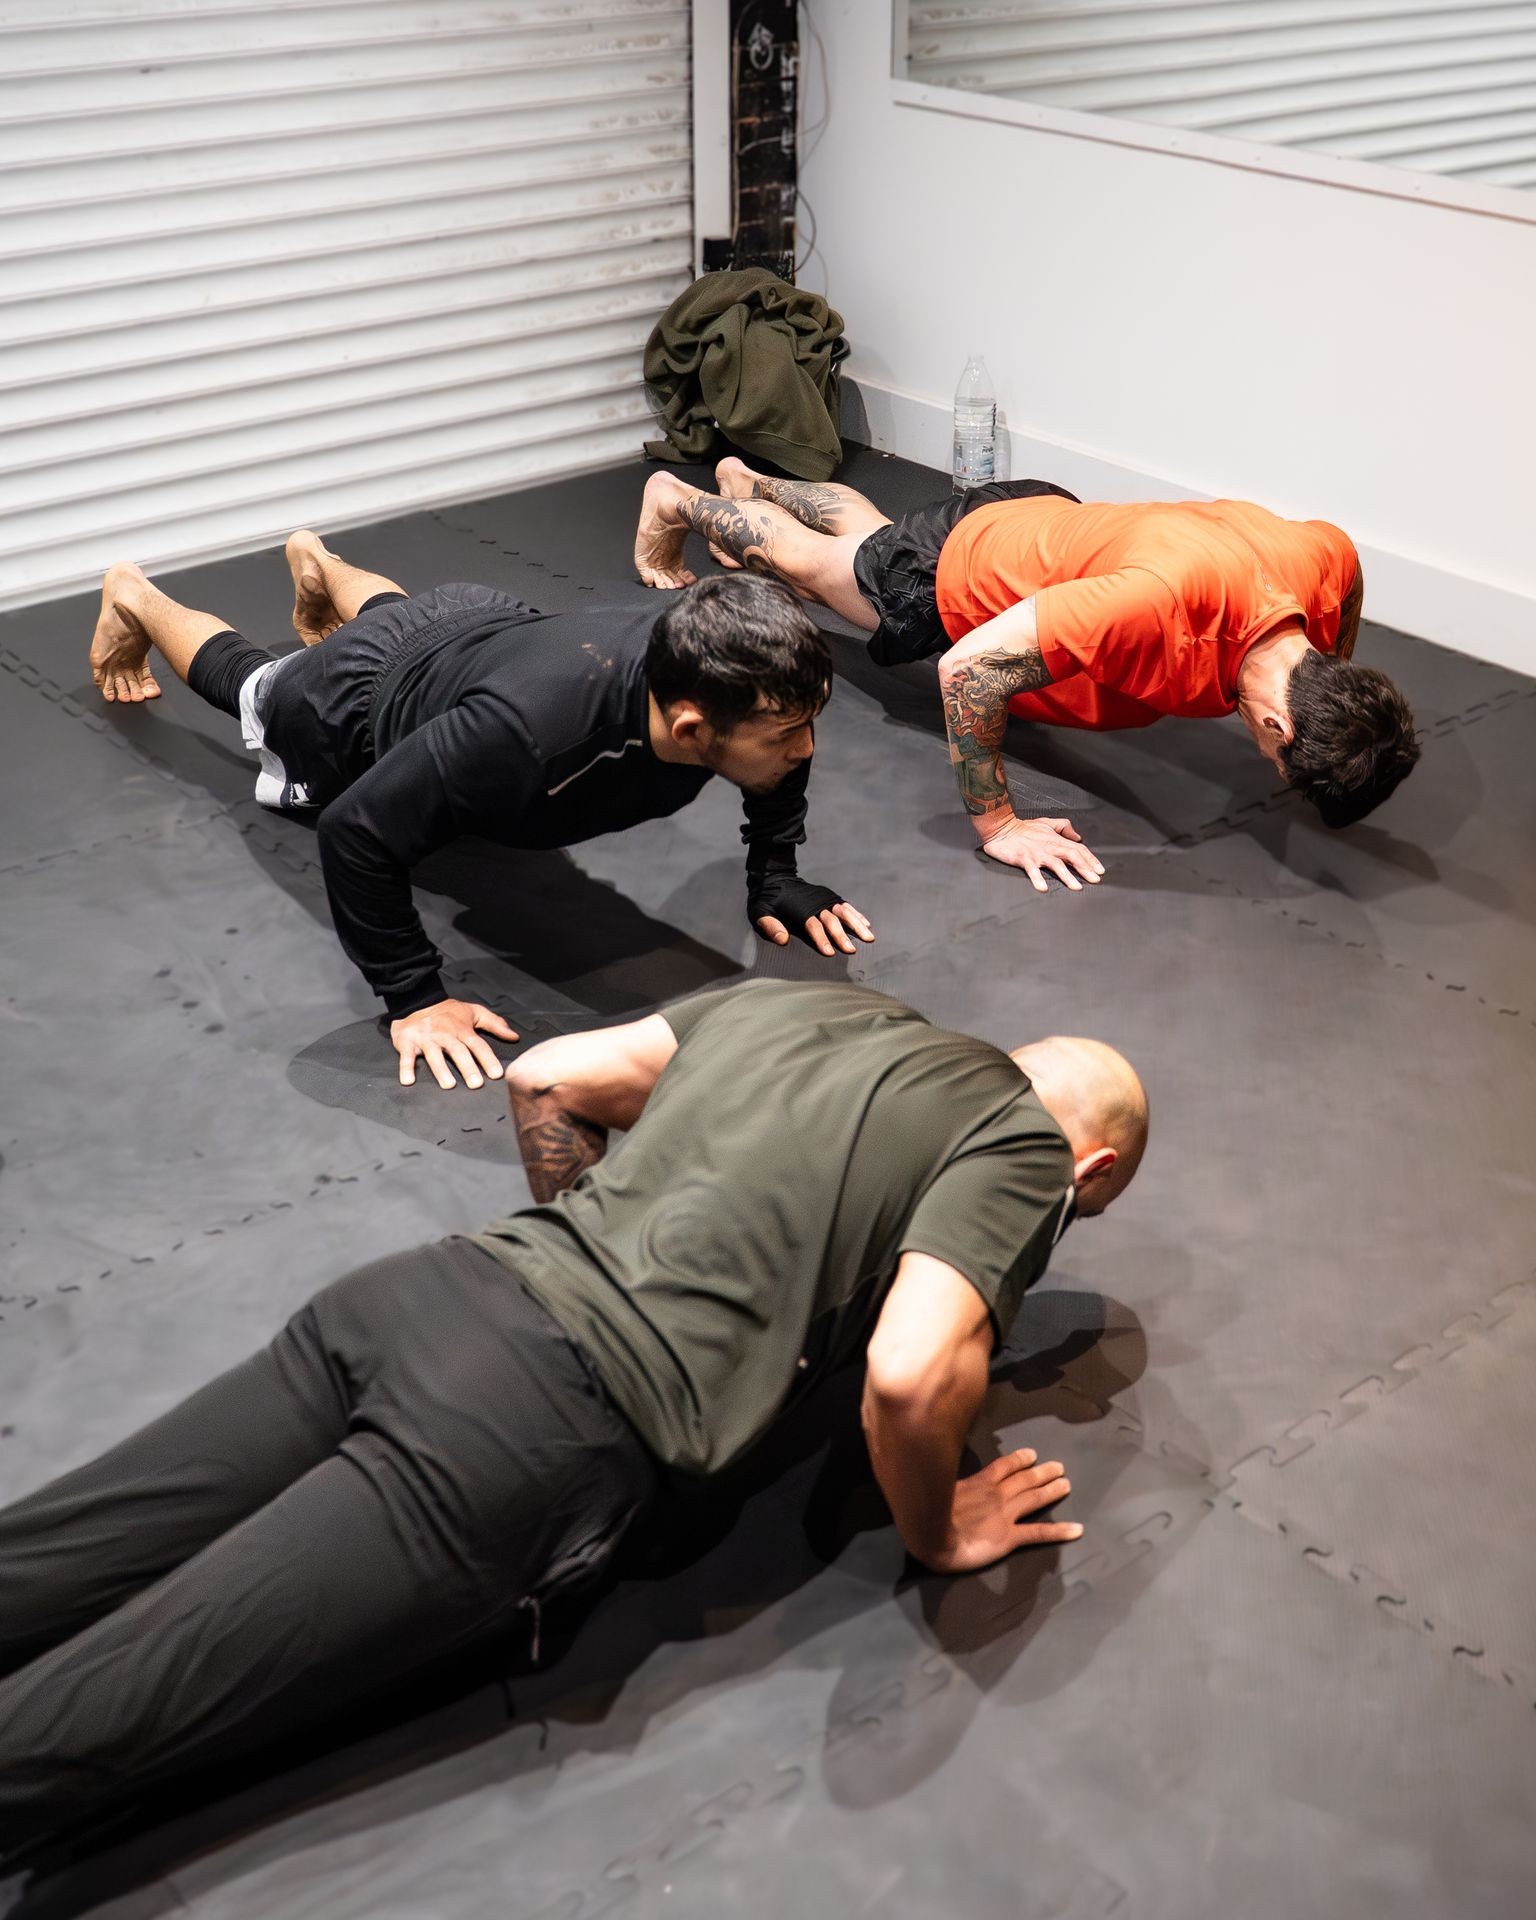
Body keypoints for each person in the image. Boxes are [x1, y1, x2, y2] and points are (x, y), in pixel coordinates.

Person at [0, 978, 1146, 1853]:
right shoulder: (1025, 1150)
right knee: (87, 1723)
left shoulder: (815, 1004)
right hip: (521, 1441)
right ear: (1087, 1170)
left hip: (418, 1299)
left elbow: (546, 1075)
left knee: (49, 1553)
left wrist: (599, 1252)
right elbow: (907, 1371)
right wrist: (940, 1528)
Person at [86, 537, 873, 1090]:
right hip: (359, 698)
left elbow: (778, 757)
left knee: (404, 621)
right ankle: (138, 596)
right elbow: (355, 832)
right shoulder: (527, 738)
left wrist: (776, 874)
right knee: (258, 690)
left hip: (480, 629)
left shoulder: (727, 665)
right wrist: (415, 998)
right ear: (694, 728)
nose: (804, 749)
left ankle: (321, 563)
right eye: (787, 734)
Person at [633, 462, 1421, 893]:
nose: (1267, 767)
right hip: (964, 574)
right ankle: (680, 501)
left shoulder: (1322, 568)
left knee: (874, 544)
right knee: (824, 572)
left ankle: (751, 481)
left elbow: (1342, 560)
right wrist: (1000, 826)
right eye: (1277, 763)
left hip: (1050, 518)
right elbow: (968, 670)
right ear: (1279, 729)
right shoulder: (1159, 605)